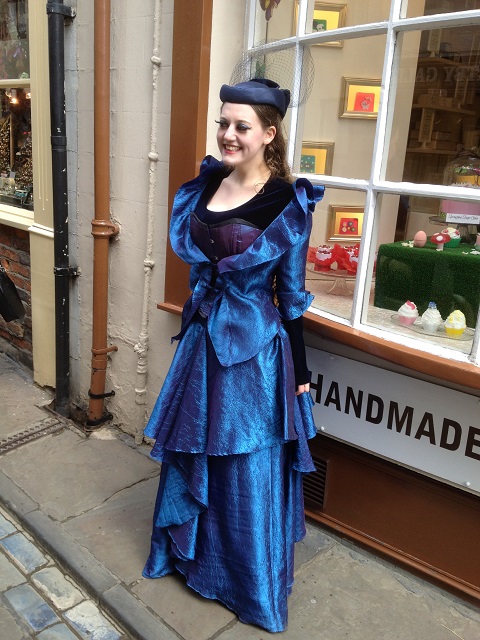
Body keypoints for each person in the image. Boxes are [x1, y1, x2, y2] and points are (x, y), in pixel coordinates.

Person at [142, 77, 324, 633]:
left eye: (241, 126)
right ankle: (189, 556)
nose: (228, 134)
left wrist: (300, 369)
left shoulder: (287, 203)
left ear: (269, 134)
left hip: (253, 354)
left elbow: (290, 297)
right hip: (202, 342)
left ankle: (249, 585)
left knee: (245, 462)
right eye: (223, 123)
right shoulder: (207, 183)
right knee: (197, 451)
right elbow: (201, 267)